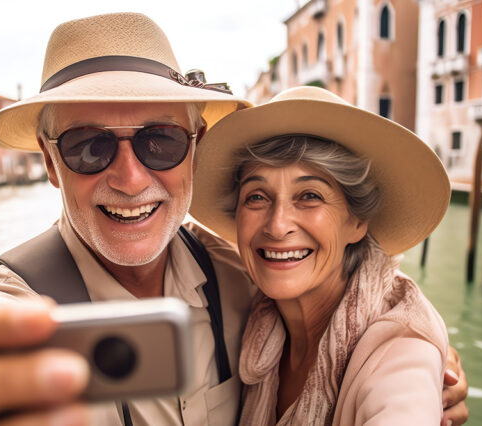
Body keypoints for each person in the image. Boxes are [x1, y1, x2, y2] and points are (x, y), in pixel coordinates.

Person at [0, 13, 468, 426]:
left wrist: (426, 358)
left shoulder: (244, 279)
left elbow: (369, 322)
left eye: (159, 142)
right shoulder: (11, 298)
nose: (129, 177)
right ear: (49, 162)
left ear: (195, 148)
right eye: (89, 148)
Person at [190, 86, 463, 425]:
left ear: (357, 221)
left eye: (309, 195)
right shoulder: (251, 304)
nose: (277, 226)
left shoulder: (402, 352)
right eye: (257, 197)